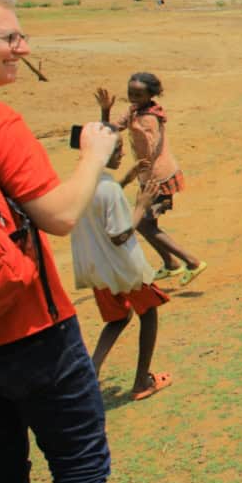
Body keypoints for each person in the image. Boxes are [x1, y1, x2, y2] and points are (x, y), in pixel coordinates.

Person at [0, 0, 119, 483]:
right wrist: (94, 154)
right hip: (32, 327)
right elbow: (59, 215)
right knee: (79, 467)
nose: (23, 48)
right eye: (10, 36)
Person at [71, 128, 173, 401]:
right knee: (148, 312)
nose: (122, 153)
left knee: (117, 318)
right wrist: (141, 205)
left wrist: (126, 178)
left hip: (97, 269)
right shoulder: (108, 190)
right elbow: (121, 234)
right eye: (117, 150)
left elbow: (101, 202)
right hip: (123, 268)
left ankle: (90, 375)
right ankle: (142, 381)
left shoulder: (82, 181)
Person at [96, 73, 206, 285]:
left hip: (158, 178)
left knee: (144, 225)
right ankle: (171, 263)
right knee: (148, 224)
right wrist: (106, 110)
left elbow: (149, 150)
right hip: (150, 176)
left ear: (151, 95)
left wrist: (135, 131)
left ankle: (191, 262)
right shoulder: (135, 111)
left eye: (138, 94)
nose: (133, 98)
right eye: (131, 93)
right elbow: (111, 130)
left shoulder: (147, 119)